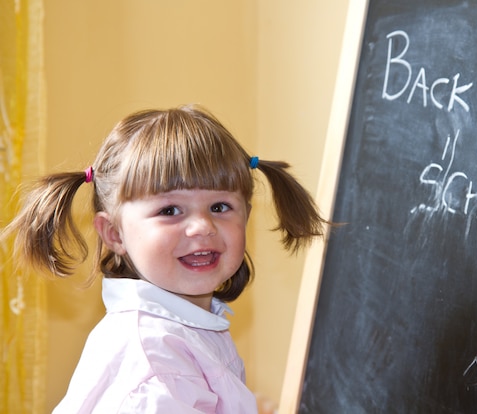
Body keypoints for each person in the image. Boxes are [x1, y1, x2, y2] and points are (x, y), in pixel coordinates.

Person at [2, 104, 328, 413]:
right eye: (169, 210)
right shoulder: (156, 368)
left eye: (220, 207)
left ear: (247, 215)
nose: (202, 226)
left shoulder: (183, 330)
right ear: (114, 234)